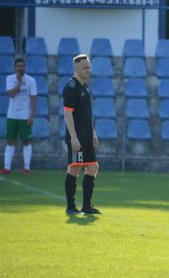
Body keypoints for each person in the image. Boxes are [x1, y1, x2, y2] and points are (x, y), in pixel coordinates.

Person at [62, 54, 101, 215]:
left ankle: (86, 206)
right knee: (75, 168)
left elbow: (86, 114)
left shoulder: (84, 87)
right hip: (76, 137)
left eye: (89, 67)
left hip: (86, 136)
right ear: (76, 68)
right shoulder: (71, 86)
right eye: (85, 67)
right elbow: (68, 114)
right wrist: (73, 137)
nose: (88, 70)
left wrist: (93, 132)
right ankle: (71, 207)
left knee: (93, 167)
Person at [0, 57, 37, 175]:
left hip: (25, 116)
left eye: (22, 66)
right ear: (15, 67)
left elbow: (33, 99)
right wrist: (20, 82)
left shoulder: (31, 81)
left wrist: (32, 116)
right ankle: (7, 167)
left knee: (26, 141)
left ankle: (26, 167)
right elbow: (11, 94)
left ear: (24, 67)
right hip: (12, 115)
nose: (20, 68)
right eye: (18, 66)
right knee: (10, 141)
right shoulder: (10, 79)